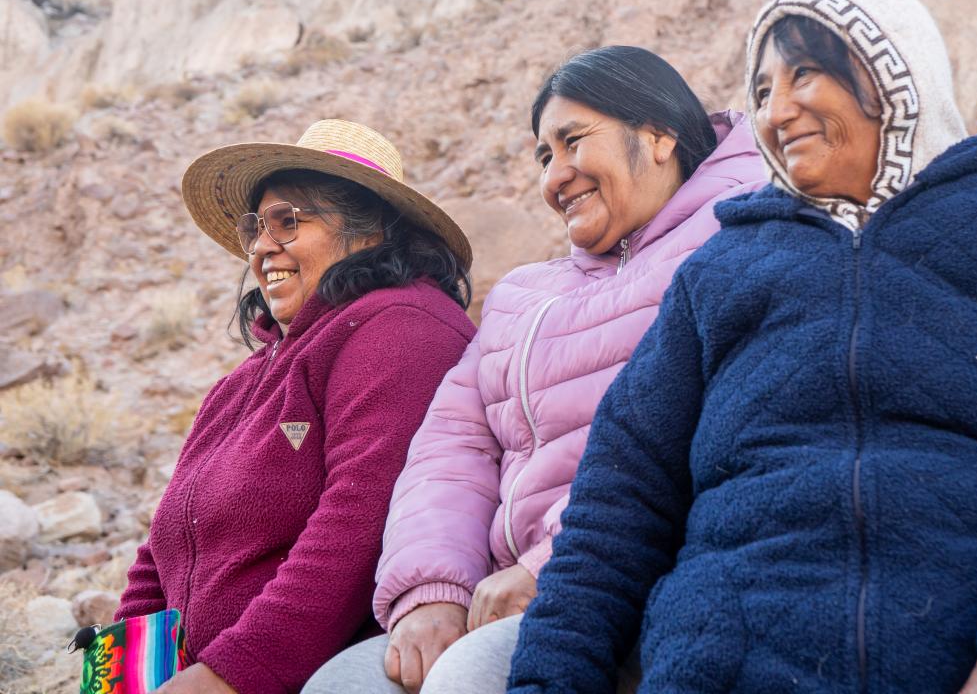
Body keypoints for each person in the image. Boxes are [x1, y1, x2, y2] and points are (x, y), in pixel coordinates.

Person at [507, 0, 977, 694]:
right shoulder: (720, 270)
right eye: (761, 91)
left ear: (893, 70)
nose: (777, 110)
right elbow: (618, 503)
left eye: (805, 74)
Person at [303, 47, 764, 694]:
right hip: (497, 593)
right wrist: (434, 589)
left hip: (634, 583)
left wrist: (552, 569)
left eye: (573, 141)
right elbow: (454, 445)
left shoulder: (737, 238)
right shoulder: (525, 294)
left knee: (468, 679)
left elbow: (706, 441)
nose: (555, 175)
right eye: (544, 156)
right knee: (344, 684)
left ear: (658, 134)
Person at [115, 119, 476, 694]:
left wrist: (226, 678)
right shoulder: (244, 381)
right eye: (256, 227)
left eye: (289, 220)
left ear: (370, 231)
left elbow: (358, 523)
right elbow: (161, 547)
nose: (261, 246)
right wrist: (120, 679)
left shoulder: (404, 329)